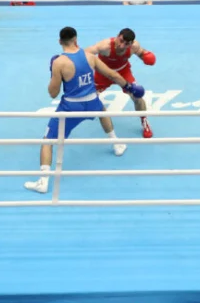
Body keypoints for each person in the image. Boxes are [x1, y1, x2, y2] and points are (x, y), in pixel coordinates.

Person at [24, 27, 140, 194]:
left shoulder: (59, 62)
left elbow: (53, 93)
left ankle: (43, 181)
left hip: (71, 107)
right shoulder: (90, 56)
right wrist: (129, 87)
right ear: (76, 40)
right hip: (92, 101)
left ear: (59, 42)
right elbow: (112, 75)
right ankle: (116, 144)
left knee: (47, 141)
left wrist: (53, 72)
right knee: (102, 110)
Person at [89, 28, 156, 138]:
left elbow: (141, 52)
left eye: (126, 44)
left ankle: (144, 121)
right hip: (103, 73)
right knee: (88, 97)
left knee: (137, 96)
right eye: (120, 41)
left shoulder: (134, 46)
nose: (122, 46)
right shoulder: (105, 46)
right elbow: (86, 53)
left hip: (123, 72)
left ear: (131, 43)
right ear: (117, 36)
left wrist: (145, 55)